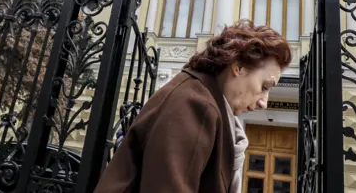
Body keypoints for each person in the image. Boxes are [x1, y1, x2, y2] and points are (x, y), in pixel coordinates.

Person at [94, 20, 292, 193]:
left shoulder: (203, 99)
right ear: (238, 67)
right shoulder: (194, 104)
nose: (263, 102)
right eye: (265, 86)